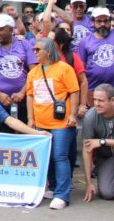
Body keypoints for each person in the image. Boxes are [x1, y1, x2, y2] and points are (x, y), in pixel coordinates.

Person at [26, 38, 80, 210]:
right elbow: (30, 95)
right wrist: (30, 118)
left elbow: (74, 92)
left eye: (37, 49)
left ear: (48, 51)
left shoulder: (65, 69)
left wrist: (73, 114)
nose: (34, 52)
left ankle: (62, 194)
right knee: (47, 157)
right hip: (41, 121)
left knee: (59, 156)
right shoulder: (33, 72)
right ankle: (54, 186)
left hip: (61, 122)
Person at [0, 13, 36, 123]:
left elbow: (34, 71)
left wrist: (22, 92)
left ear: (10, 30)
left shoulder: (24, 44)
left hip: (24, 100)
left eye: (0, 29)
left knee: (23, 132)